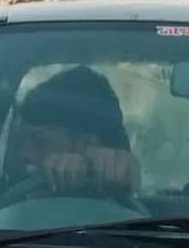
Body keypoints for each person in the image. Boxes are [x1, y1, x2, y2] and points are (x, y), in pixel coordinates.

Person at [8, 66, 140, 199]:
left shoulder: (145, 212)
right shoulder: (5, 201)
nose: (23, 154)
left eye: (39, 142)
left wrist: (119, 172)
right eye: (18, 142)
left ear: (88, 145)